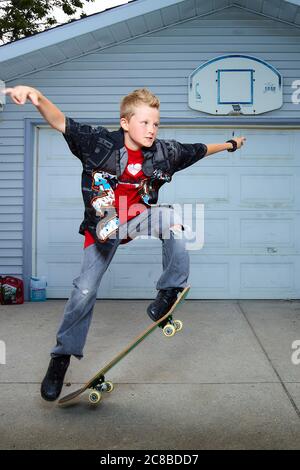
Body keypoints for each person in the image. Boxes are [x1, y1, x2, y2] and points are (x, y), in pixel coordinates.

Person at [4, 86, 246, 401]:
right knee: (83, 292)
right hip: (103, 227)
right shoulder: (98, 144)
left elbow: (198, 149)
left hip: (136, 218)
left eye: (156, 124)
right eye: (144, 123)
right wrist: (37, 98)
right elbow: (60, 121)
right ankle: (60, 358)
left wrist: (229, 144)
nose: (151, 130)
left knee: (173, 221)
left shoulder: (164, 152)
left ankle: (167, 294)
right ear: (125, 123)